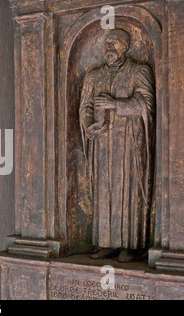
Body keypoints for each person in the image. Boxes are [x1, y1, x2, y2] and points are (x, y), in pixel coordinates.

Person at [79, 28, 155, 263]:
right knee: (105, 190)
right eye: (106, 43)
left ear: (126, 46)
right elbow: (85, 107)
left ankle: (129, 246)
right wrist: (89, 125)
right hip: (102, 145)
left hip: (129, 144)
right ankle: (106, 243)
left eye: (114, 43)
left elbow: (146, 105)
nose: (108, 48)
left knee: (128, 190)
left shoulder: (138, 71)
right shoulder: (93, 76)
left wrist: (115, 104)